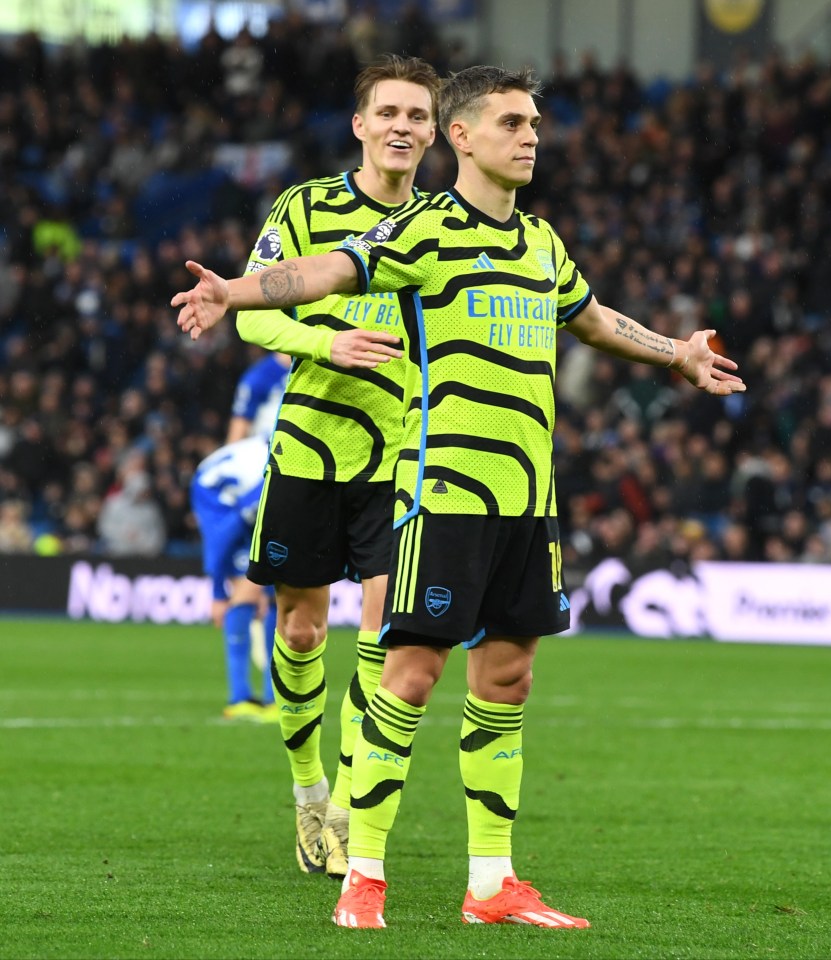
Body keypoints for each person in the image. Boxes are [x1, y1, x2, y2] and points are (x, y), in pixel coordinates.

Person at [173, 65, 746, 929]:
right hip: (438, 490)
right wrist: (236, 290)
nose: (531, 138)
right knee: (406, 673)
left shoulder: (542, 242)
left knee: (508, 678)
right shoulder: (425, 229)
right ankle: (360, 872)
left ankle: (492, 885)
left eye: (535, 126)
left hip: (527, 498)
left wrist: (676, 352)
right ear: (464, 136)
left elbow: (591, 319)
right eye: (513, 123)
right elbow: (328, 270)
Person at [197, 55, 440, 878]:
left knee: (386, 629)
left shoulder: (441, 223)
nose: (403, 126)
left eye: (418, 115)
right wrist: (324, 339)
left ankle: (342, 799)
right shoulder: (307, 207)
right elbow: (254, 321)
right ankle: (306, 793)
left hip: (400, 456)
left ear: (434, 133)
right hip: (308, 448)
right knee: (301, 629)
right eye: (390, 113)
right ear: (361, 125)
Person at [190, 433, 277, 720]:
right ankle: (254, 697)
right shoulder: (271, 474)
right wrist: (217, 592)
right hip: (216, 496)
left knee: (268, 588)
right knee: (260, 591)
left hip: (233, 489)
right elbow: (221, 539)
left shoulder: (279, 460)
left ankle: (256, 697)